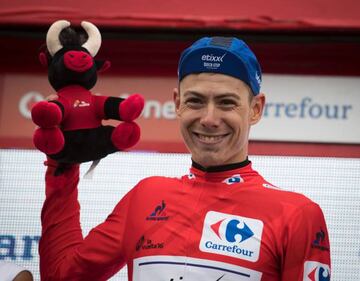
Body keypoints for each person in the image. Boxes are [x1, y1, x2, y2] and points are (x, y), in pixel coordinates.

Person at [39, 37, 331, 280]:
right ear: (177, 104)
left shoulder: (297, 214)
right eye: (195, 101)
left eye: (227, 103)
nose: (209, 119)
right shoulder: (146, 196)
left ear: (255, 109)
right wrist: (63, 162)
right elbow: (63, 275)